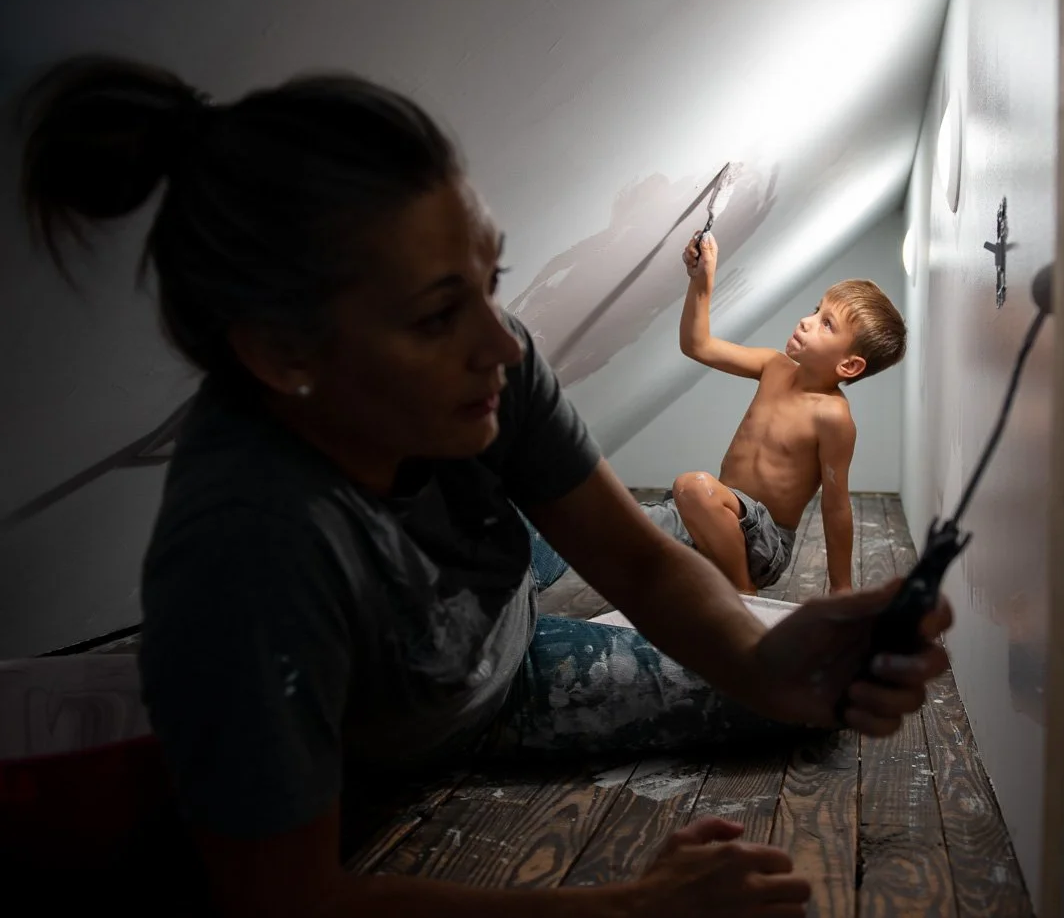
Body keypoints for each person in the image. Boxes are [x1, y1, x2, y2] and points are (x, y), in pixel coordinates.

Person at [16, 56, 952, 917]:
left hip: (500, 604)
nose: (504, 342)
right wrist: (628, 907)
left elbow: (635, 561)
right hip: (471, 703)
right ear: (280, 352)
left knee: (797, 695)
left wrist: (770, 660)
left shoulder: (492, 365)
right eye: (436, 314)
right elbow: (285, 898)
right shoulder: (247, 549)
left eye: (488, 277)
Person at [642, 232, 907, 595]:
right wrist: (701, 280)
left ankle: (743, 594)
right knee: (616, 521)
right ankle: (705, 572)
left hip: (763, 544)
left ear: (848, 365)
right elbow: (697, 345)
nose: (806, 321)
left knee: (692, 486)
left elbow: (836, 506)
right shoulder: (773, 365)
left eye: (827, 323)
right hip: (712, 517)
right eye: (816, 310)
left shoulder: (832, 416)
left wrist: (841, 588)